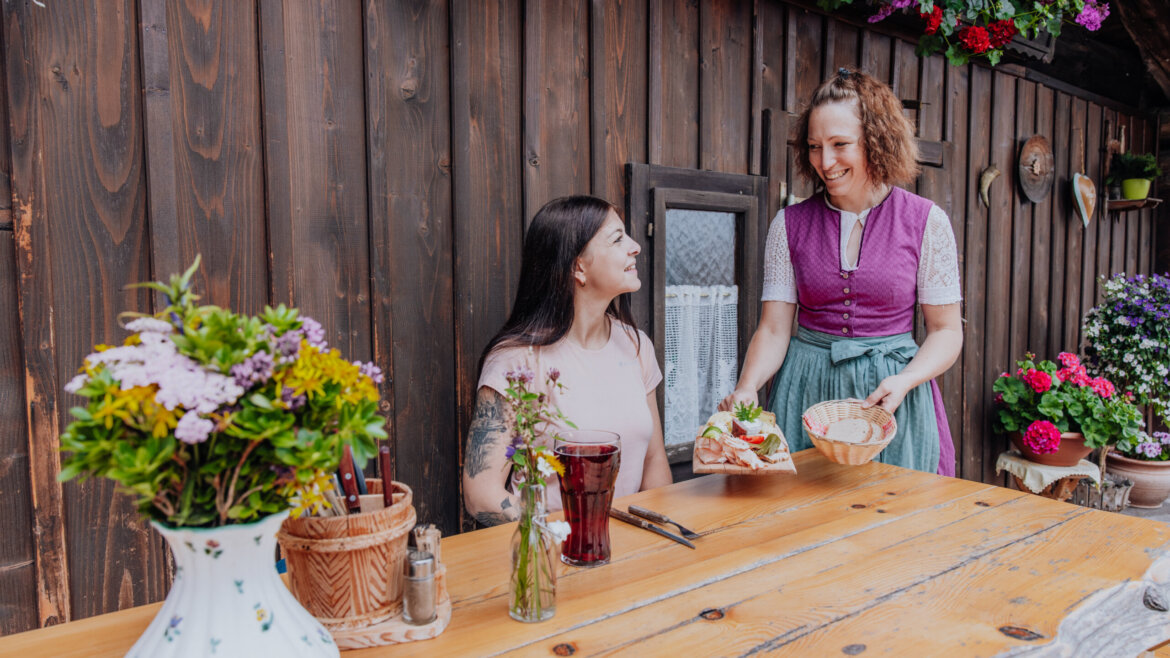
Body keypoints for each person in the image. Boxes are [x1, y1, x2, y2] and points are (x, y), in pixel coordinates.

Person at [719, 67, 963, 475]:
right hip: (807, 392)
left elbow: (946, 331)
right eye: (814, 146)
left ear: (877, 141)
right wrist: (748, 385)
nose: (825, 162)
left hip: (888, 398)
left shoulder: (926, 222)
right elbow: (775, 329)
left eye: (840, 144)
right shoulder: (788, 224)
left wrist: (906, 380)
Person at [463, 195, 672, 526]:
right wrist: (562, 531)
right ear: (578, 266)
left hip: (632, 553)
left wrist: (660, 535)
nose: (635, 247)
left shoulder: (636, 346)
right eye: (618, 239)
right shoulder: (516, 363)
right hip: (550, 558)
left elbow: (653, 459)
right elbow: (481, 494)